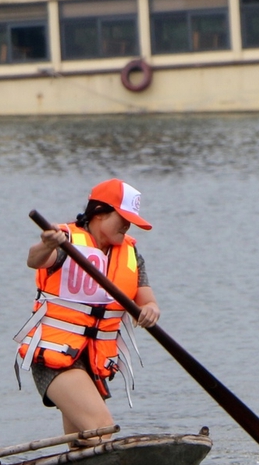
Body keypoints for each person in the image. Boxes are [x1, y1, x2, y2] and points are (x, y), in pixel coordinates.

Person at [18, 179, 160, 438]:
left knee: (84, 444)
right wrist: (48, 244)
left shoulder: (131, 253)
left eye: (132, 220)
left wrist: (150, 310)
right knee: (102, 429)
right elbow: (35, 259)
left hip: (93, 360)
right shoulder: (66, 243)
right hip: (55, 355)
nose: (128, 225)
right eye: (123, 218)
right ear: (99, 213)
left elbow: (147, 301)